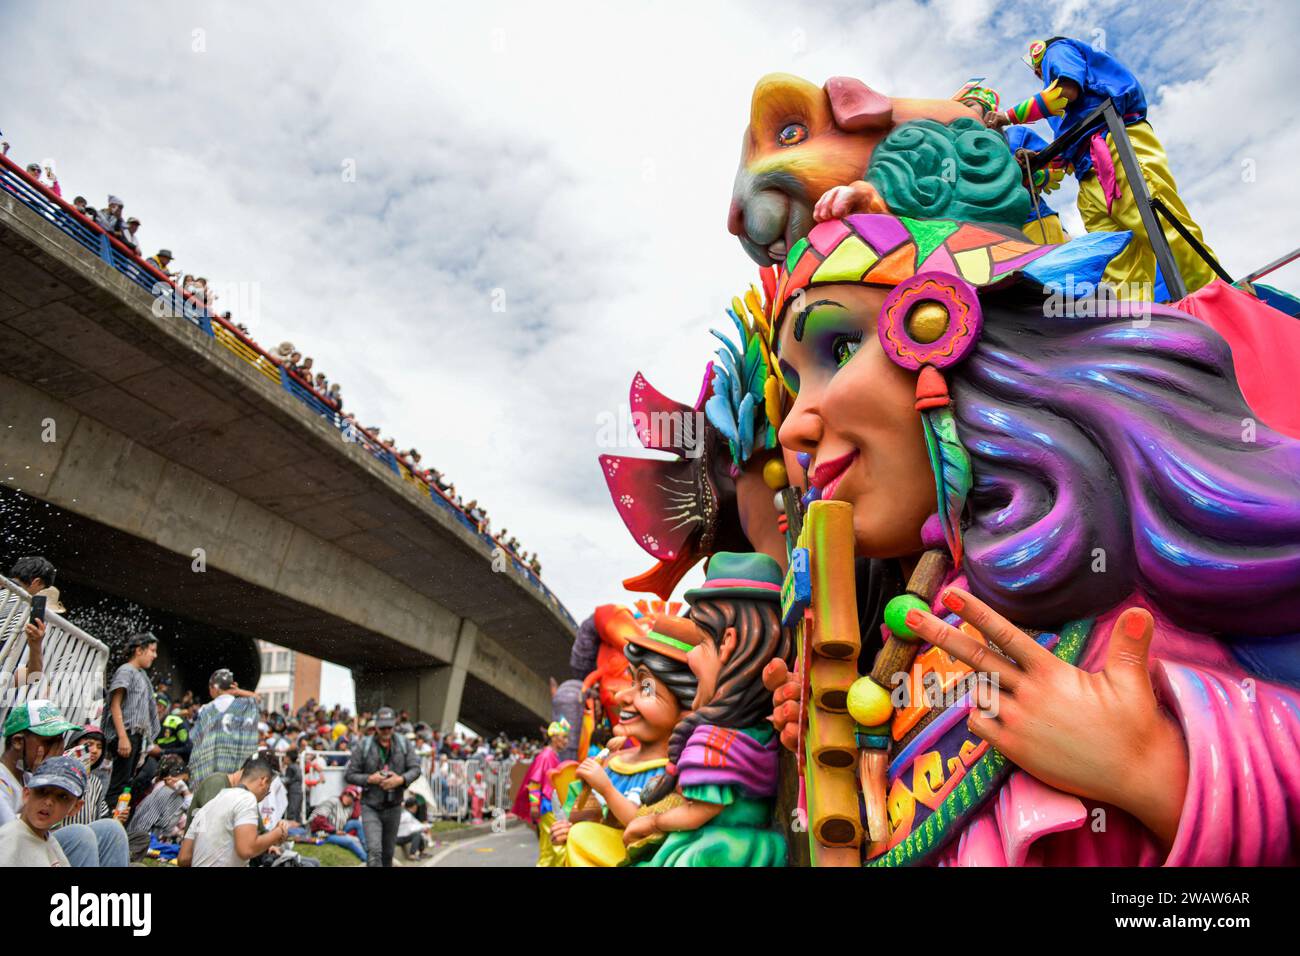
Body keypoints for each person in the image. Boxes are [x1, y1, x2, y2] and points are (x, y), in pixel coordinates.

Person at [766, 212, 1300, 865]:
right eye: (790, 386)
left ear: (938, 332)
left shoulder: (1141, 581)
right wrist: (844, 750)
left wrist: (1152, 769)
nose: (793, 426)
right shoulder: (918, 626)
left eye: (840, 349)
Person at [987, 37, 1216, 299]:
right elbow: (1066, 150)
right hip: (1088, 170)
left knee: (1158, 224)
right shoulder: (1056, 109)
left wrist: (1007, 116)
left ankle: (1213, 294)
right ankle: (1138, 328)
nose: (1037, 74)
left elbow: (1067, 90)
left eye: (1036, 68)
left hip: (1113, 144)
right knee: (1116, 257)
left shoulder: (1056, 51)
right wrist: (1038, 158)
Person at [1, 701, 128, 866]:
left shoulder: (25, 776)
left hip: (41, 847)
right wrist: (46, 774)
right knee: (80, 836)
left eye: (60, 742)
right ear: (18, 741)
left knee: (112, 830)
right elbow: (18, 840)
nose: (58, 749)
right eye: (49, 742)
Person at [344, 705, 421, 867]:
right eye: (382, 727)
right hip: (370, 806)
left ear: (394, 726)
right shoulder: (363, 745)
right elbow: (349, 774)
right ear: (376, 727)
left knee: (388, 853)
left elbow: (416, 769)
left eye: (389, 727)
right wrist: (369, 779)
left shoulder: (403, 743)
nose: (386, 730)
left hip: (394, 806)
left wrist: (400, 780)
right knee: (374, 850)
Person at [178, 757, 286, 867]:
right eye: (267, 792)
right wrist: (278, 832)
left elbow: (183, 858)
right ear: (264, 781)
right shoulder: (246, 798)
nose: (263, 798)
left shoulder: (207, 806)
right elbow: (246, 849)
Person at [104, 632, 160, 810]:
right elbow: (115, 705)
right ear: (139, 650)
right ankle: (109, 820)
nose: (154, 655)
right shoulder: (126, 670)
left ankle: (117, 818)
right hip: (126, 733)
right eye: (151, 650)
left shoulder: (141, 675)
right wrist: (122, 737)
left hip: (136, 737)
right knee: (118, 784)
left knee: (127, 783)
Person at [0, 755, 87, 866]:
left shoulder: (49, 841)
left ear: (75, 807)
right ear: (27, 794)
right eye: (42, 791)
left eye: (62, 797)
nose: (49, 802)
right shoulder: (10, 841)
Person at [186, 667, 261, 785]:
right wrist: (238, 691)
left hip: (209, 771)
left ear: (215, 688)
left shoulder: (206, 709)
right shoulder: (244, 705)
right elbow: (257, 698)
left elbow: (194, 739)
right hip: (235, 769)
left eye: (210, 688)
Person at [124, 753, 188, 860]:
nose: (183, 784)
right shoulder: (166, 792)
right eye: (181, 780)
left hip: (146, 838)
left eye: (185, 781)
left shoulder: (169, 791)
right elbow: (147, 823)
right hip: (143, 839)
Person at [301, 784, 366, 862]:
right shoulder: (333, 801)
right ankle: (367, 860)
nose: (348, 797)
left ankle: (368, 850)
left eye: (351, 796)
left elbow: (356, 815)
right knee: (350, 841)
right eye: (347, 794)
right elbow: (318, 820)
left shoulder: (349, 807)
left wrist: (357, 801)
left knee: (357, 823)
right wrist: (334, 831)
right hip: (320, 833)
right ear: (343, 793)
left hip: (336, 829)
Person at [396, 795, 429, 861]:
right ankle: (412, 854)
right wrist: (423, 828)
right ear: (413, 807)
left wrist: (424, 827)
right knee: (417, 834)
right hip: (398, 838)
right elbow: (412, 828)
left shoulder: (408, 814)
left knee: (419, 833)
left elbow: (417, 824)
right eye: (416, 806)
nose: (416, 808)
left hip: (402, 836)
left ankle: (421, 852)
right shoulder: (406, 815)